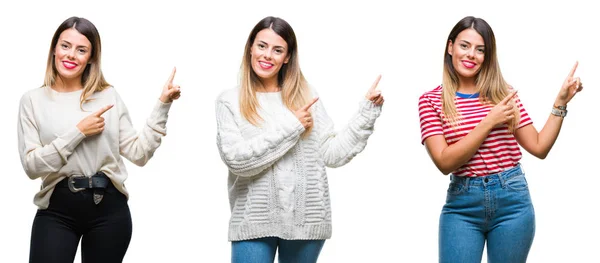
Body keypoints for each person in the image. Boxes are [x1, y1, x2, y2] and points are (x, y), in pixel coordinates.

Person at [215, 16, 384, 263]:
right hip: (253, 222)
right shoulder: (229, 100)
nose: (267, 55)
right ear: (250, 47)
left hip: (307, 221)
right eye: (261, 46)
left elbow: (331, 154)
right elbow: (237, 161)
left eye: (278, 50)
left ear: (287, 57)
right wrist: (292, 125)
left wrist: (367, 112)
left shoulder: (307, 95)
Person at [418, 16, 583, 263]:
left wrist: (560, 104)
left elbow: (539, 147)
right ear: (450, 47)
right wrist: (489, 122)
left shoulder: (503, 94)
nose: (471, 54)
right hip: (462, 206)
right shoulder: (431, 101)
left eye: (480, 49)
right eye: (465, 46)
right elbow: (444, 162)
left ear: (487, 56)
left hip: (512, 202)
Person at [17, 16, 181, 263]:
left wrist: (163, 105)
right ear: (53, 49)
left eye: (81, 50)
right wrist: (78, 132)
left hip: (109, 211)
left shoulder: (107, 96)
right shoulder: (33, 101)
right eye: (65, 46)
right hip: (57, 209)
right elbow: (32, 166)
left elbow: (139, 154)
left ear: (91, 57)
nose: (71, 55)